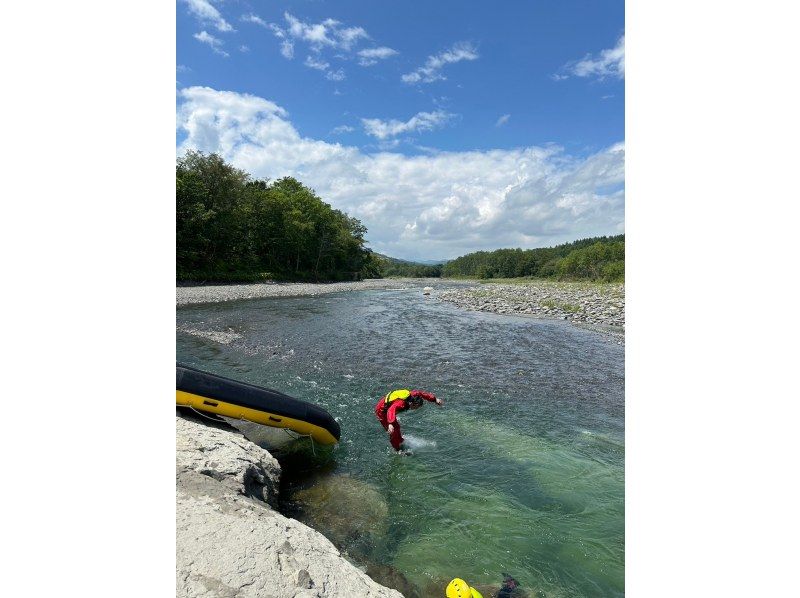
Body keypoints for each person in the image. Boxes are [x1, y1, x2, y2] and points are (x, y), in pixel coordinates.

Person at [374, 388, 442, 452]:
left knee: (397, 427)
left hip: (389, 408)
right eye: (417, 407)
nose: (416, 409)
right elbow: (390, 410)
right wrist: (390, 423)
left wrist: (434, 399)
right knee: (393, 430)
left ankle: (400, 441)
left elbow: (422, 393)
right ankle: (397, 450)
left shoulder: (413, 395)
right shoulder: (401, 404)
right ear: (413, 403)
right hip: (382, 411)